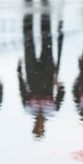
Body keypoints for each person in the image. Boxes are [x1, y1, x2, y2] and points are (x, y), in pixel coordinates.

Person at [18, 9, 64, 137]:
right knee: (46, 40)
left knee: (29, 43)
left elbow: (22, 89)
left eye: (37, 128)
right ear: (44, 128)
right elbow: (62, 93)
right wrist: (59, 84)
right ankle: (46, 17)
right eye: (40, 128)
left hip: (31, 72)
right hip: (48, 72)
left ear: (33, 126)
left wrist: (19, 70)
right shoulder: (53, 110)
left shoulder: (28, 109)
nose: (39, 125)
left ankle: (27, 17)